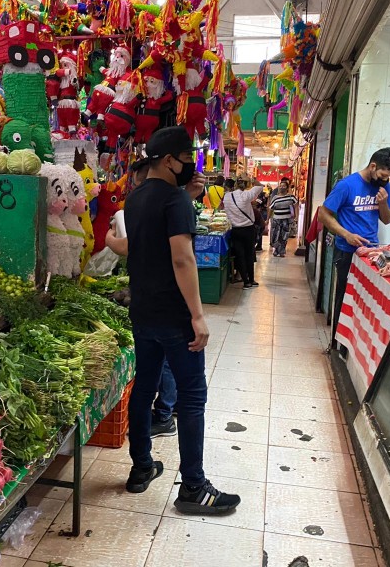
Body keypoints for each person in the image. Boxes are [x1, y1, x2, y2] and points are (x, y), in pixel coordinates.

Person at [123, 126, 240, 514]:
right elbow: (182, 258)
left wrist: (185, 200)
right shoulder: (175, 201)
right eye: (186, 156)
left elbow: (141, 247)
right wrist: (198, 315)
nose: (191, 162)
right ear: (170, 161)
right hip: (175, 317)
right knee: (191, 397)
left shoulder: (136, 197)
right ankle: (193, 487)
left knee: (144, 388)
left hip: (143, 311)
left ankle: (141, 468)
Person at [106, 158, 191, 439]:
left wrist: (108, 239)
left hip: (149, 307)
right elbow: (179, 259)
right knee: (174, 381)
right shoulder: (167, 202)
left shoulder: (144, 202)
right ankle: (166, 415)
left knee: (147, 383)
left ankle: (143, 460)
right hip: (161, 307)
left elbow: (180, 260)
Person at [319, 147, 390, 339]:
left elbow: (387, 220)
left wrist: (383, 203)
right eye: (382, 174)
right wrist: (346, 234)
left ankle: (356, 340)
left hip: (371, 253)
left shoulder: (385, 187)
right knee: (344, 296)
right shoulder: (346, 185)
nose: (385, 179)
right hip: (346, 251)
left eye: (388, 176)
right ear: (372, 166)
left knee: (365, 299)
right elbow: (323, 214)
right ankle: (337, 342)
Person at [223, 177, 264, 289]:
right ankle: (251, 279)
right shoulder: (246, 195)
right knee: (249, 255)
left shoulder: (226, 197)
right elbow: (260, 186)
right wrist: (253, 179)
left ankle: (246, 282)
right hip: (248, 230)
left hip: (235, 230)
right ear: (245, 186)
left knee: (240, 255)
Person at [269, 180, 295, 257]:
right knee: (276, 235)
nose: (282, 187)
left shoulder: (291, 197)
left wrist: (295, 216)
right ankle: (276, 250)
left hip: (287, 219)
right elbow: (271, 208)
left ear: (287, 187)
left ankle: (282, 251)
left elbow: (295, 206)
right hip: (276, 219)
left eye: (284, 186)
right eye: (280, 186)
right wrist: (268, 219)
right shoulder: (275, 197)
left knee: (284, 236)